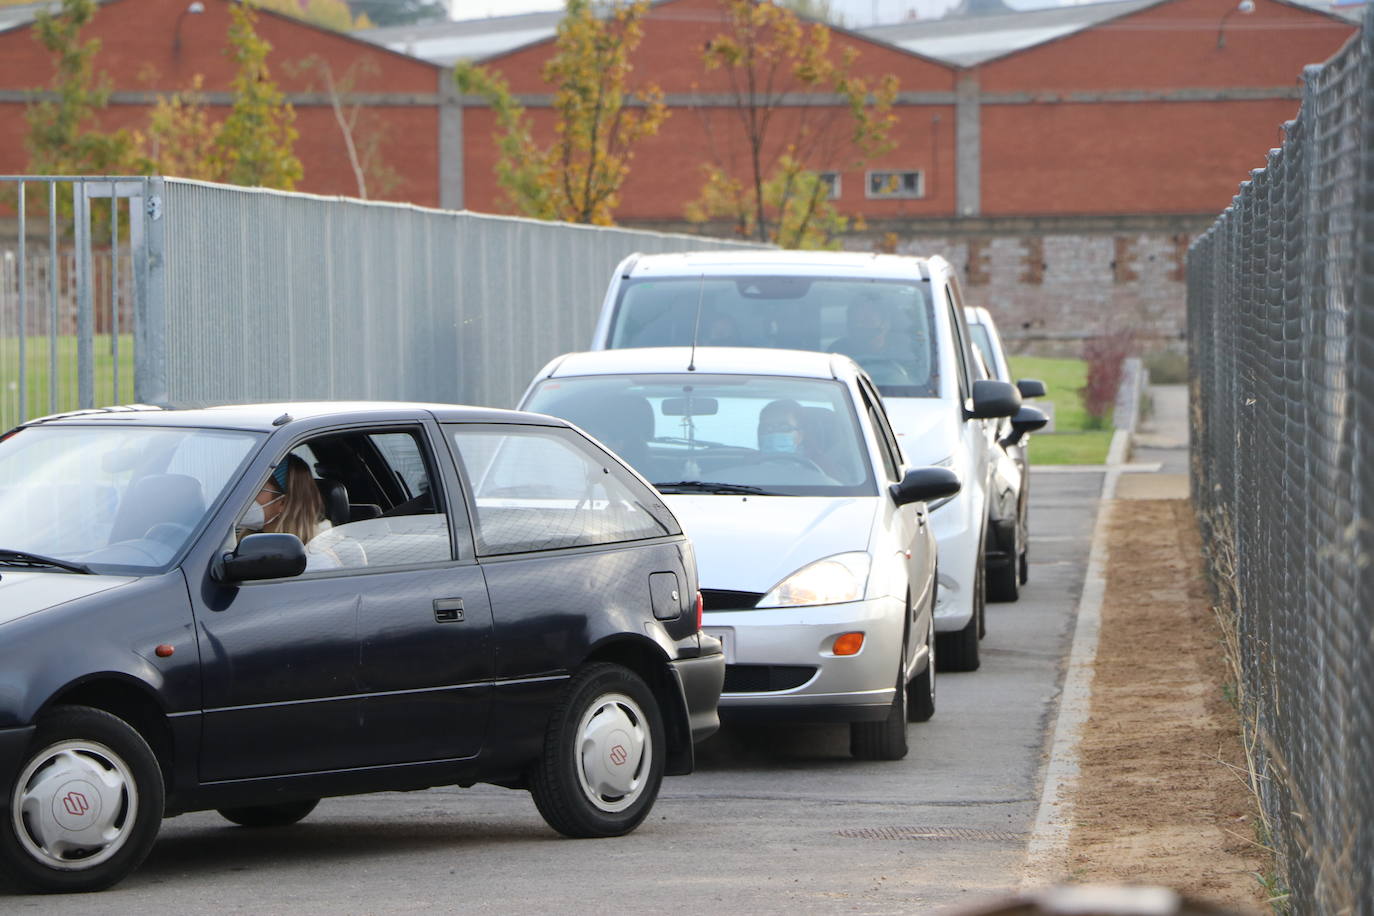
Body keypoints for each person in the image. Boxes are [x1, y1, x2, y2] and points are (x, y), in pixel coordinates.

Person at [238, 454, 327, 545]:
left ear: (283, 503)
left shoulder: (316, 551)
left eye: (256, 490)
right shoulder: (240, 542)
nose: (245, 496)